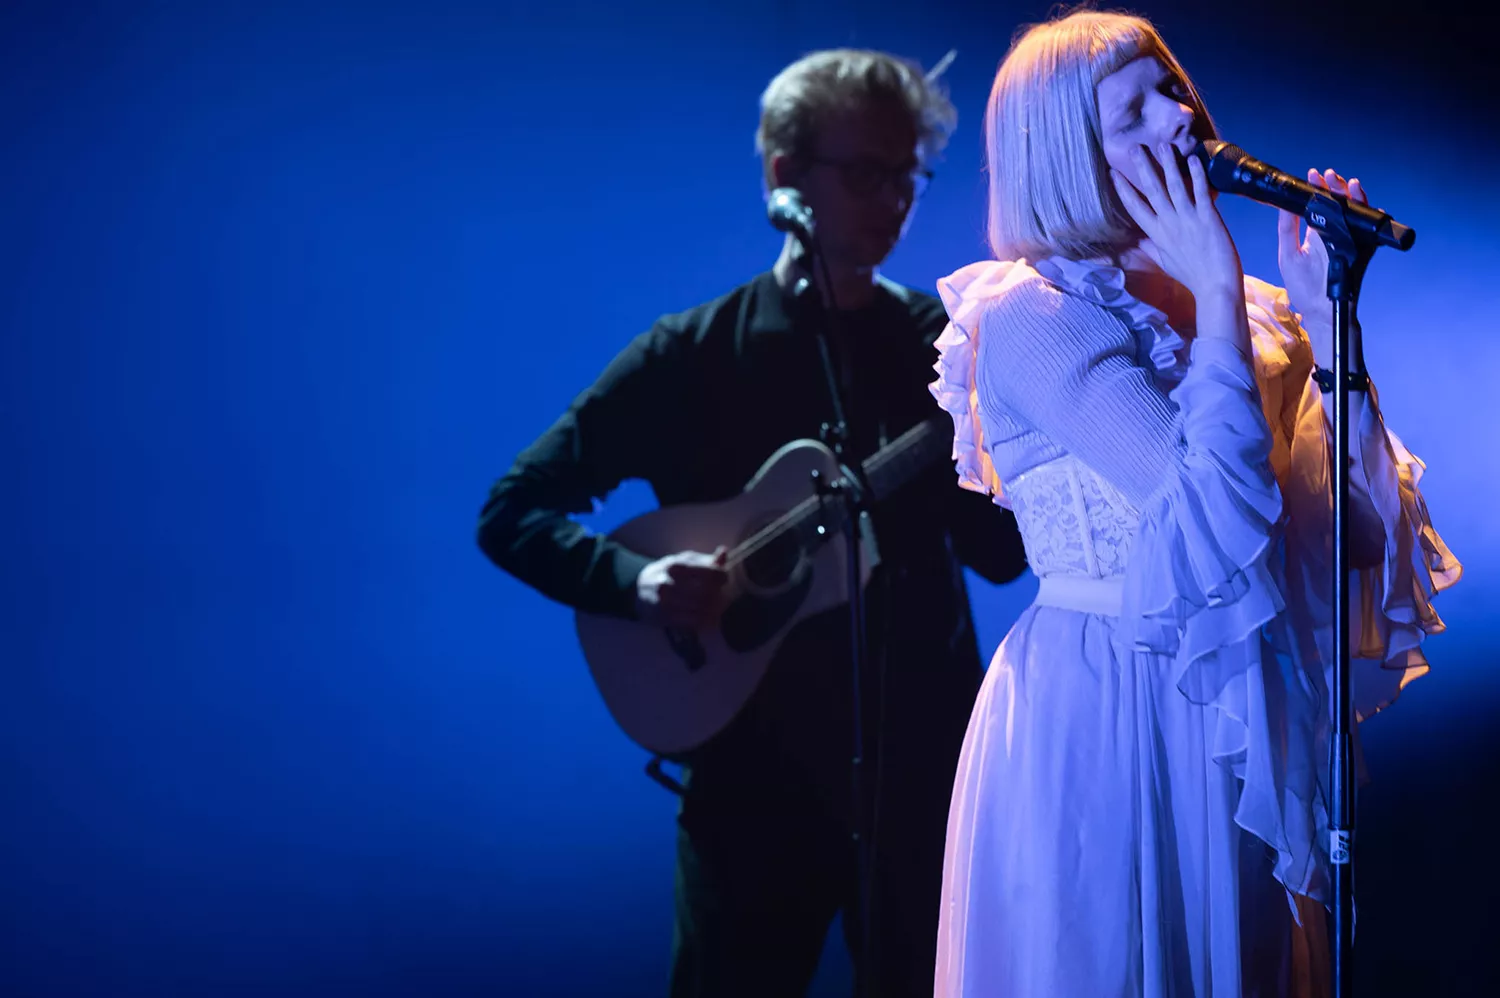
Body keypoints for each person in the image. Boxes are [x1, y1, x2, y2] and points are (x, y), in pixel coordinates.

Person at [926, 9, 1462, 997]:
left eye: (1173, 89)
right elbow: (1208, 509)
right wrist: (1216, 285)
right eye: (1133, 111)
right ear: (1068, 155)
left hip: (1247, 696)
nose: (1178, 119)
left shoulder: (1247, 311)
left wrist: (1326, 325)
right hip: (1109, 703)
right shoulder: (1032, 313)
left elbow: (1355, 535)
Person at [475, 48, 1027, 997]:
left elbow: (1002, 555)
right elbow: (512, 509)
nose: (895, 200)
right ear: (785, 174)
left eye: (908, 176)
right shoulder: (689, 356)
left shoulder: (947, 352)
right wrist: (634, 582)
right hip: (747, 789)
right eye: (866, 173)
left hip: (920, 777)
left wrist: (994, 445)